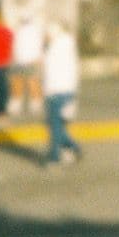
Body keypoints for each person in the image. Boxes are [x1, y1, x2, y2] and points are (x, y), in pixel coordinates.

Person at [41, 19, 83, 166]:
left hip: (59, 92)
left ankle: (54, 156)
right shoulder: (61, 46)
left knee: (55, 126)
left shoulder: (59, 46)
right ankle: (73, 147)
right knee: (55, 125)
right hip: (59, 91)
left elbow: (51, 70)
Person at [11, 10, 45, 118]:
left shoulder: (27, 30)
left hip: (26, 60)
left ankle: (31, 104)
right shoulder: (32, 30)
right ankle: (30, 104)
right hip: (24, 60)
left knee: (28, 82)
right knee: (22, 82)